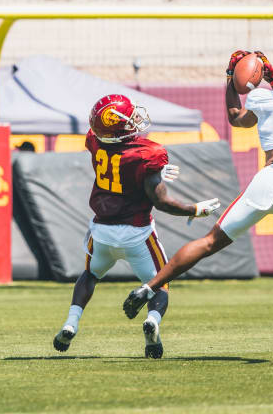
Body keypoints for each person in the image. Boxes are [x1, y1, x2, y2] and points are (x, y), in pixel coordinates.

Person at [123, 50, 273, 319]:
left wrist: (231, 78)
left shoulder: (262, 98)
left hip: (268, 179)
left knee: (209, 241)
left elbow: (236, 116)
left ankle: (148, 287)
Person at [53, 94, 220, 359]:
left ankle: (71, 322)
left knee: (90, 275)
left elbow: (120, 161)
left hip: (102, 231)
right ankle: (152, 321)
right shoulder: (148, 153)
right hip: (137, 234)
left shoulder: (94, 140)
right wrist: (195, 209)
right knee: (159, 283)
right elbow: (161, 201)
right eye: (129, 117)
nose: (135, 119)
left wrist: (150, 173)